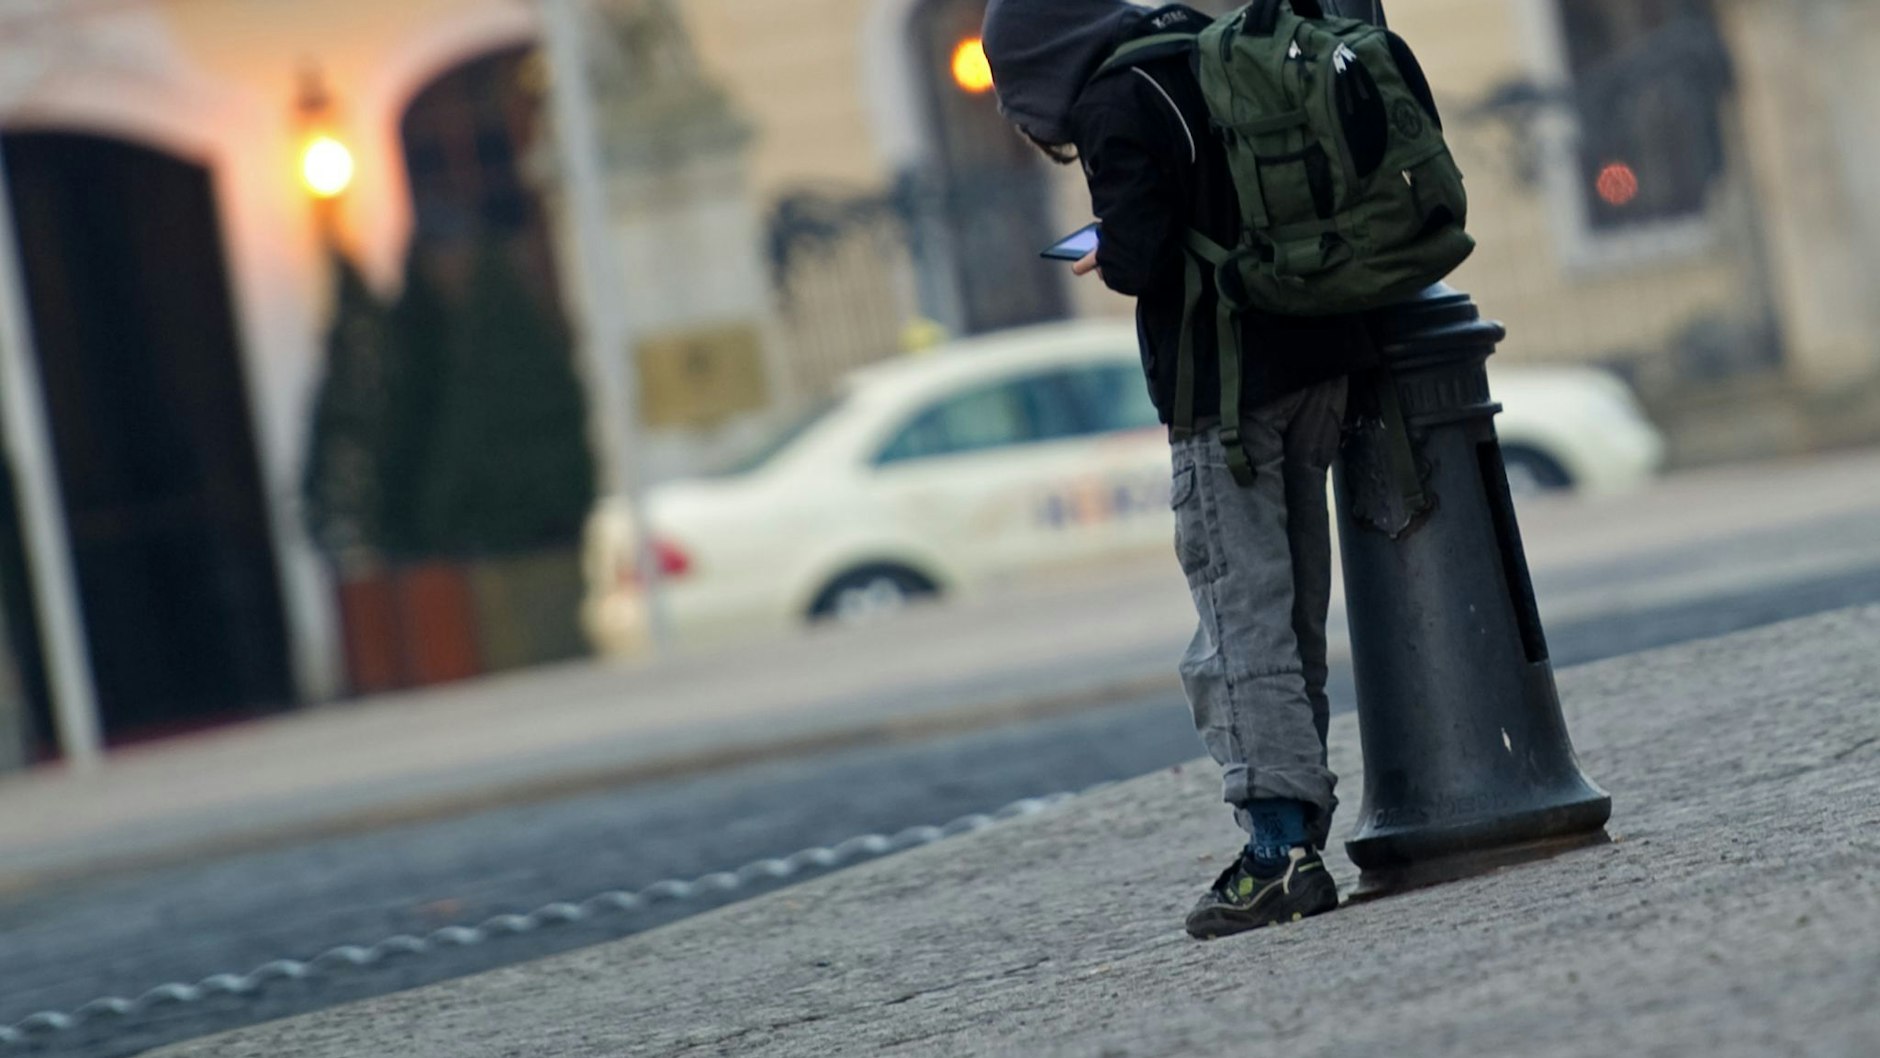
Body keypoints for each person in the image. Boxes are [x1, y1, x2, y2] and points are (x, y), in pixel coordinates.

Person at [982, 0, 1378, 939]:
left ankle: (1278, 851)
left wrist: (1110, 252)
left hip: (1225, 390)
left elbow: (1143, 254)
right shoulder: (1203, 39)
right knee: (1289, 614)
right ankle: (1298, 835)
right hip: (1318, 361)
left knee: (1240, 627)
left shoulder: (1115, 102)